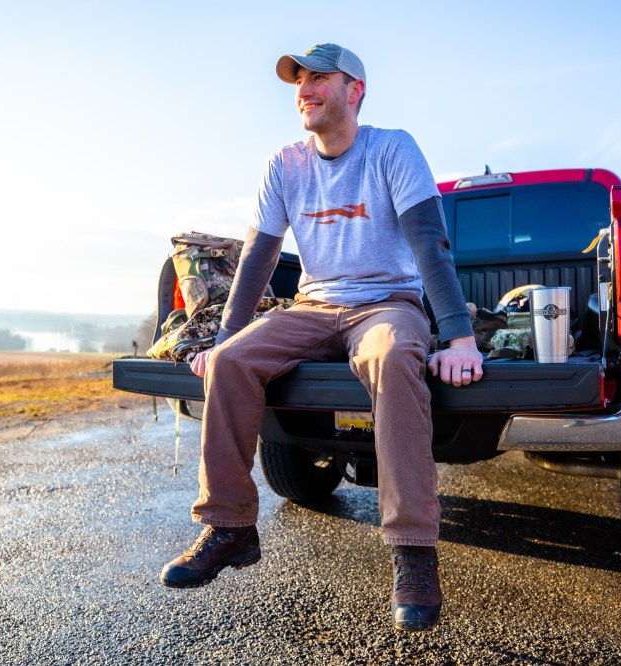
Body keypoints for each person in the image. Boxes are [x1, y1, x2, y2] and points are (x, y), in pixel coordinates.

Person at [159, 43, 484, 632]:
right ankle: (229, 526)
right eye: (298, 81)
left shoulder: (392, 149)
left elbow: (428, 243)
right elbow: (260, 256)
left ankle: (413, 550)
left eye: (318, 78)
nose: (304, 90)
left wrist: (459, 337)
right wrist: (225, 336)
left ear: (355, 89)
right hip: (312, 307)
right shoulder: (285, 164)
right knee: (230, 363)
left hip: (387, 303)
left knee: (394, 356)